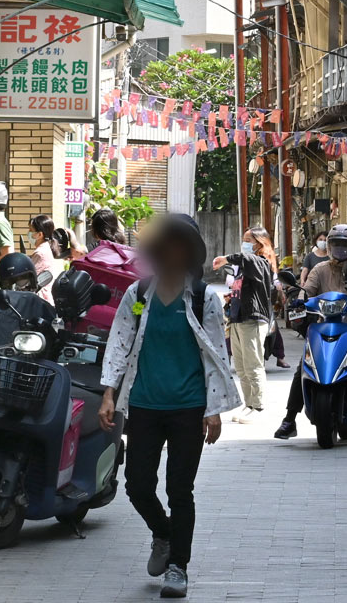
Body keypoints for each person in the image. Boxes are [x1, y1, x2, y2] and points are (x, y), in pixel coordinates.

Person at [99, 214, 239, 599]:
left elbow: (214, 355)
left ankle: (178, 565)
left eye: (180, 244)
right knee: (137, 484)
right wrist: (109, 393)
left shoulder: (202, 298)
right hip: (144, 404)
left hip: (188, 407)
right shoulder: (139, 294)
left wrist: (213, 409)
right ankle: (162, 533)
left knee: (181, 490)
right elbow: (120, 343)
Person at [273, 223, 347, 438]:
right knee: (303, 368)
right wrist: (299, 300)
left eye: (345, 246)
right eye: (336, 245)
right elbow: (307, 290)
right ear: (328, 246)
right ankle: (289, 419)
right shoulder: (319, 269)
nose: (340, 250)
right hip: (324, 325)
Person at [211, 226, 276, 421]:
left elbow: (247, 258)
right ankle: (249, 404)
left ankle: (258, 406)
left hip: (253, 320)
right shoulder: (243, 267)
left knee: (253, 365)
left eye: (249, 240)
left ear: (260, 243)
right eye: (244, 239)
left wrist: (226, 258)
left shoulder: (261, 262)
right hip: (238, 318)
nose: (245, 244)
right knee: (240, 366)